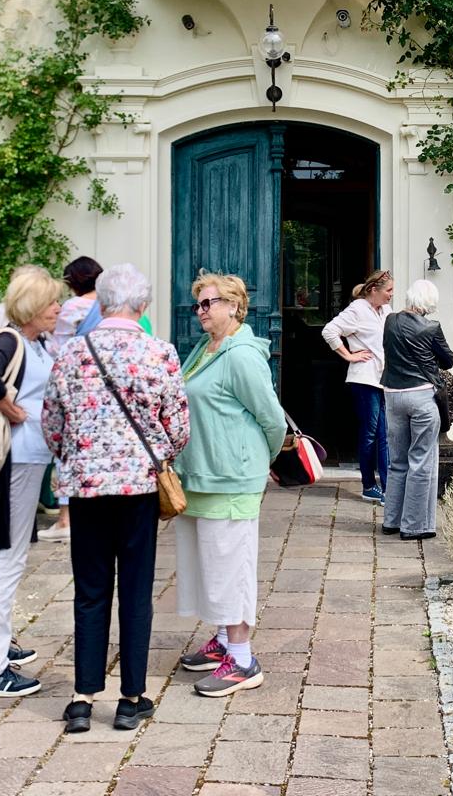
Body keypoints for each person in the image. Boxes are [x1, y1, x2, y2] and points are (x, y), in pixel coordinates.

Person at [44, 264, 189, 733]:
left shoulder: (70, 354)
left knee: (89, 592)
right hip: (138, 489)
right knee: (135, 590)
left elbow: (52, 425)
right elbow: (178, 429)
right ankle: (131, 697)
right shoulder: (159, 353)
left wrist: (79, 456)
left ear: (101, 304)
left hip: (87, 490)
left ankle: (83, 698)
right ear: (143, 306)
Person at [173, 273, 286, 698]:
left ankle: (242, 658)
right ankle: (223, 639)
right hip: (201, 473)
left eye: (210, 303)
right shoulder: (205, 348)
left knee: (231, 565)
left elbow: (271, 418)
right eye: (198, 304)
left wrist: (260, 458)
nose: (201, 311)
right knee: (208, 565)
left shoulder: (241, 355)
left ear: (235, 306)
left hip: (230, 476)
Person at [0, 265, 63, 698]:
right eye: (51, 302)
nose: (58, 308)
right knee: (9, 561)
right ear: (32, 306)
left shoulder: (33, 341)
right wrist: (11, 410)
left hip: (30, 461)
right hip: (17, 462)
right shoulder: (10, 340)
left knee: (13, 558)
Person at [380, 279, 453, 541]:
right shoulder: (432, 327)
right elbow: (448, 359)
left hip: (392, 395)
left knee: (397, 461)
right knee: (421, 461)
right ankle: (415, 526)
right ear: (429, 303)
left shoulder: (390, 321)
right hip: (421, 396)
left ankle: (391, 521)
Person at [41, 255, 106, 542]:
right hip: (103, 385)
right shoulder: (108, 306)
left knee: (68, 448)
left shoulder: (71, 307)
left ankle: (66, 518)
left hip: (73, 384)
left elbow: (58, 347)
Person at [319, 268, 393, 503]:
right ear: (374, 290)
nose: (391, 294)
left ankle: (388, 487)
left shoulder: (386, 310)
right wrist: (348, 355)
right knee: (371, 433)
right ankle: (369, 485)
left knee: (384, 434)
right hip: (363, 379)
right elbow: (329, 330)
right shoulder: (357, 310)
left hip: (383, 379)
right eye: (389, 290)